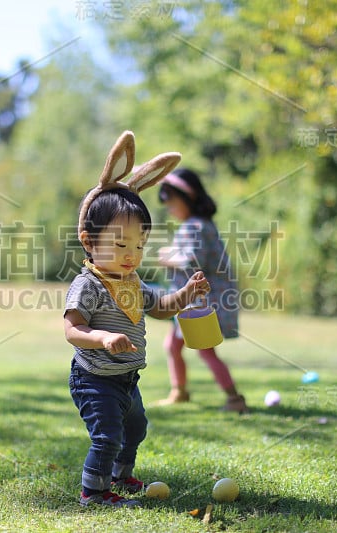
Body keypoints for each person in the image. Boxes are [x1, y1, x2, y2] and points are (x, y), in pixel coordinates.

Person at [64, 132, 210, 507]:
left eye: (140, 245)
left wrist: (187, 294)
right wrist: (103, 338)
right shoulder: (89, 284)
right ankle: (93, 492)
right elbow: (71, 329)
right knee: (107, 435)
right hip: (95, 377)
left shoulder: (132, 281)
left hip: (127, 378)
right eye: (120, 244)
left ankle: (120, 475)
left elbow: (160, 307)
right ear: (89, 240)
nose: (132, 254)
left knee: (136, 427)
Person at [156, 167, 249, 413]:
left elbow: (193, 261)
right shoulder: (198, 224)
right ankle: (179, 391)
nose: (169, 207)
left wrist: (167, 256)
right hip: (194, 301)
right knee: (173, 346)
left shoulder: (195, 226)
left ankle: (234, 399)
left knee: (206, 351)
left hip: (203, 302)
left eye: (171, 201)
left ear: (188, 197)